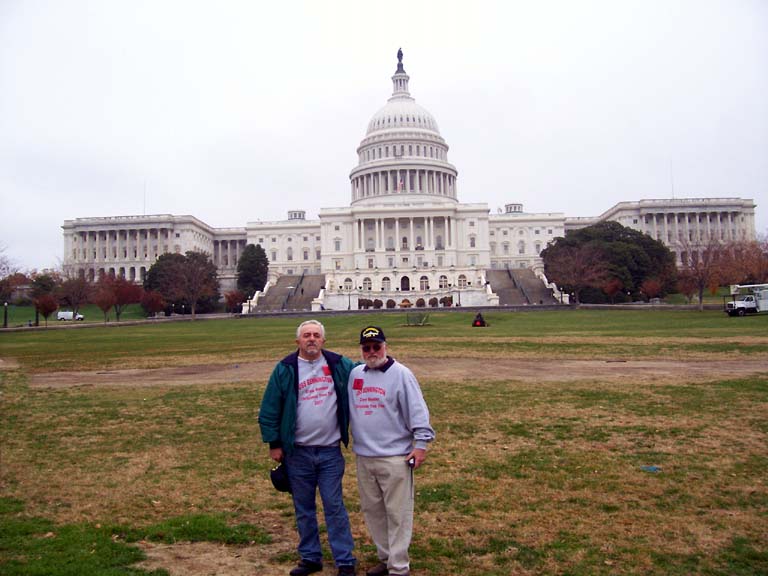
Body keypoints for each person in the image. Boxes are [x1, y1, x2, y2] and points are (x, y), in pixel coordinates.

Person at [259, 320, 358, 576]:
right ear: (298, 342)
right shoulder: (286, 369)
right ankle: (310, 557)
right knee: (303, 507)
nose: (311, 339)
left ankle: (344, 559)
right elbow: (270, 408)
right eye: (306, 336)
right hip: (298, 452)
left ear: (324, 340)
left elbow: (364, 373)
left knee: (334, 505)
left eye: (316, 335)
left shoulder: (338, 364)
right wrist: (275, 443)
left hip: (329, 451)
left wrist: (384, 362)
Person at [349, 326, 435, 576]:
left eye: (377, 346)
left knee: (397, 513)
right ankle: (386, 558)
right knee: (373, 511)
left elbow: (417, 410)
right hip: (365, 456)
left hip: (395, 457)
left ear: (385, 347)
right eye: (367, 348)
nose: (372, 351)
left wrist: (420, 445)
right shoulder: (356, 374)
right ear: (362, 350)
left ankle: (399, 567)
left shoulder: (401, 374)